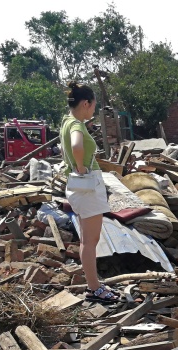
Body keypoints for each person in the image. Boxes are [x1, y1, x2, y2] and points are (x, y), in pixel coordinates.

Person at [60, 81, 119, 303]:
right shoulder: (76, 125)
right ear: (86, 103)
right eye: (94, 105)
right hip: (86, 186)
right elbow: (77, 146)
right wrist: (82, 168)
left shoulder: (66, 120)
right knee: (91, 241)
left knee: (87, 240)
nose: (94, 110)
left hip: (77, 186)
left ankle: (93, 284)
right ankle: (94, 288)